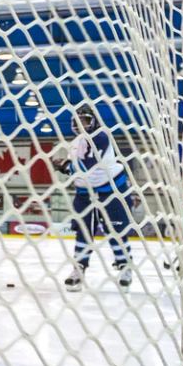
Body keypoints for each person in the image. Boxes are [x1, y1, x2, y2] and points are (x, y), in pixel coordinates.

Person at [58, 106, 133, 290]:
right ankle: (79, 268)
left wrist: (66, 167)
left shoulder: (101, 136)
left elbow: (88, 165)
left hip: (111, 190)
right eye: (78, 122)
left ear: (93, 121)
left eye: (85, 120)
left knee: (115, 229)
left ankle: (125, 266)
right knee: (83, 231)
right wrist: (67, 164)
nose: (81, 125)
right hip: (85, 193)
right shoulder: (76, 142)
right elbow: (75, 166)